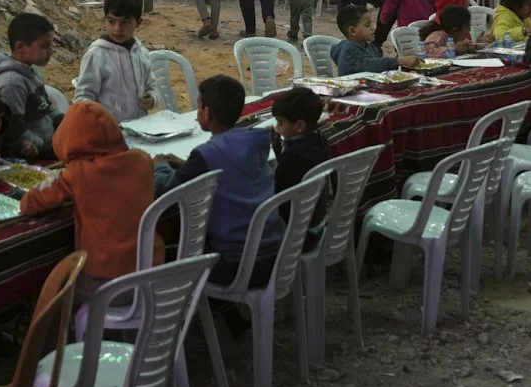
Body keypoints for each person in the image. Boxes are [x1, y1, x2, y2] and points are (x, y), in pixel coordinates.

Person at [19, 101, 159, 304]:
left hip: (104, 282)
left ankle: (74, 331)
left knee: (60, 294)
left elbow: (30, 204)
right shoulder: (142, 160)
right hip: (148, 273)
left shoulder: (78, 174)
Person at [153, 75, 282, 286]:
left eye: (199, 107)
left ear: (208, 113)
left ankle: (204, 308)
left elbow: (167, 190)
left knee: (168, 249)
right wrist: (182, 164)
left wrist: (159, 166)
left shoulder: (207, 154)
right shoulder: (255, 142)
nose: (197, 113)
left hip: (234, 262)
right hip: (273, 251)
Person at [74, 0, 158, 123]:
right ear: (104, 20)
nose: (117, 28)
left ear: (138, 23)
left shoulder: (140, 52)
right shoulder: (97, 54)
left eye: (125, 22)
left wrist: (152, 99)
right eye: (111, 21)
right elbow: (83, 98)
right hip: (107, 131)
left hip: (139, 128)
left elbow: (152, 86)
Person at [0, 12, 60, 159]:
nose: (51, 51)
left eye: (51, 44)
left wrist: (64, 121)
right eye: (45, 46)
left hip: (51, 143)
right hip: (35, 154)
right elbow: (13, 131)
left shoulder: (33, 70)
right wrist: (40, 144)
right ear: (20, 47)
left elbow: (44, 107)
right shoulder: (12, 83)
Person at [271, 87, 332, 225]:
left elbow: (278, 195)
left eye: (280, 122)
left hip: (295, 228)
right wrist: (278, 146)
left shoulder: (292, 157)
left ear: (299, 126)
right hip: (317, 219)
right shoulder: (321, 141)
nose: (277, 127)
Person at [332, 3, 419, 76]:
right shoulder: (348, 50)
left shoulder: (369, 46)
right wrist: (399, 61)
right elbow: (369, 66)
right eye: (367, 25)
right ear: (353, 31)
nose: (373, 28)